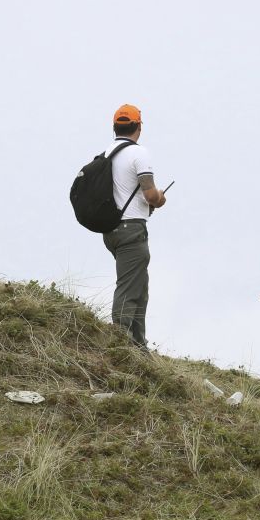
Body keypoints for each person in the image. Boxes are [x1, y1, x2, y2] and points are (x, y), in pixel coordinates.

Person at [101, 104, 167, 349]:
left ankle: (138, 344)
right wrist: (161, 198)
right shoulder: (139, 154)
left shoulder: (107, 153)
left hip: (111, 230)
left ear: (114, 127)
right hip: (131, 229)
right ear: (139, 127)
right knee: (129, 287)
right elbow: (150, 194)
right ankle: (120, 342)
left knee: (139, 285)